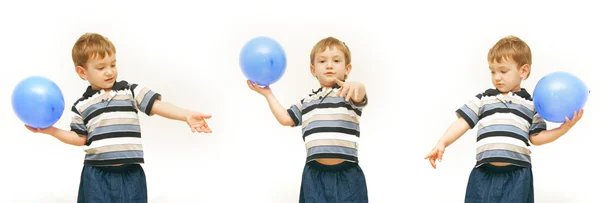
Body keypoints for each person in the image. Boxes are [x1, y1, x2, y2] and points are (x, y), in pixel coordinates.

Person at [25, 32, 213, 203]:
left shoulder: (130, 91)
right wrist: (51, 131)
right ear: (83, 72)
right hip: (97, 176)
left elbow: (158, 106)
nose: (109, 71)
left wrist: (185, 114)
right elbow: (79, 138)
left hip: (131, 174)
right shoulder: (81, 106)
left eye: (113, 64)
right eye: (101, 67)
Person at [424, 35, 584, 203]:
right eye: (492, 71)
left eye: (503, 71)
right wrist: (443, 142)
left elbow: (536, 138)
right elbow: (462, 123)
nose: (497, 77)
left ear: (523, 71)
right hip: (483, 173)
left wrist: (562, 129)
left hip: (517, 176)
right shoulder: (484, 99)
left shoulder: (531, 105)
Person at [248, 36, 369, 203]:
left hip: (347, 174)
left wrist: (358, 86)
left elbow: (360, 93)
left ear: (347, 69)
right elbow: (286, 118)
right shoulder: (307, 102)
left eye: (336, 60)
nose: (329, 65)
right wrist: (268, 94)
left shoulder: (348, 95)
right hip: (314, 174)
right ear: (313, 70)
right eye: (322, 61)